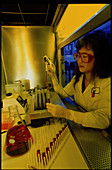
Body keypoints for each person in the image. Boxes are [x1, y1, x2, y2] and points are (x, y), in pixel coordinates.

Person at [46, 30, 111, 129]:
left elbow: (104, 120)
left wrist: (68, 114)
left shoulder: (107, 82)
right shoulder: (78, 78)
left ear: (99, 58)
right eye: (78, 55)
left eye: (85, 56)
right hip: (84, 129)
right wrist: (53, 75)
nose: (79, 60)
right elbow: (63, 93)